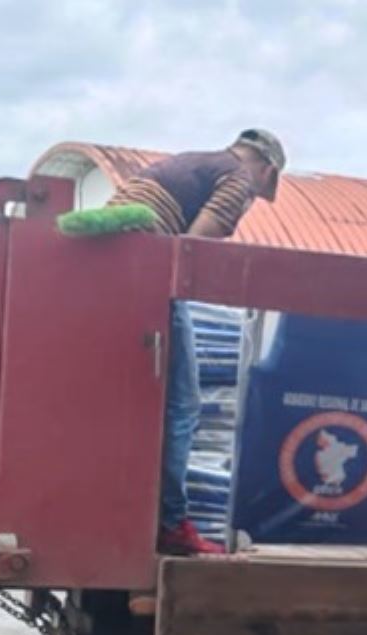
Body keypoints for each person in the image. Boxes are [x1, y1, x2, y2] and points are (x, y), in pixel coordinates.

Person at [105, 130, 288, 556]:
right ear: (268, 170)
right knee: (183, 405)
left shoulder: (191, 161)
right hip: (145, 275)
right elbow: (192, 252)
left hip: (115, 270)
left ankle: (133, 509)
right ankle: (171, 524)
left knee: (142, 401)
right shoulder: (238, 179)